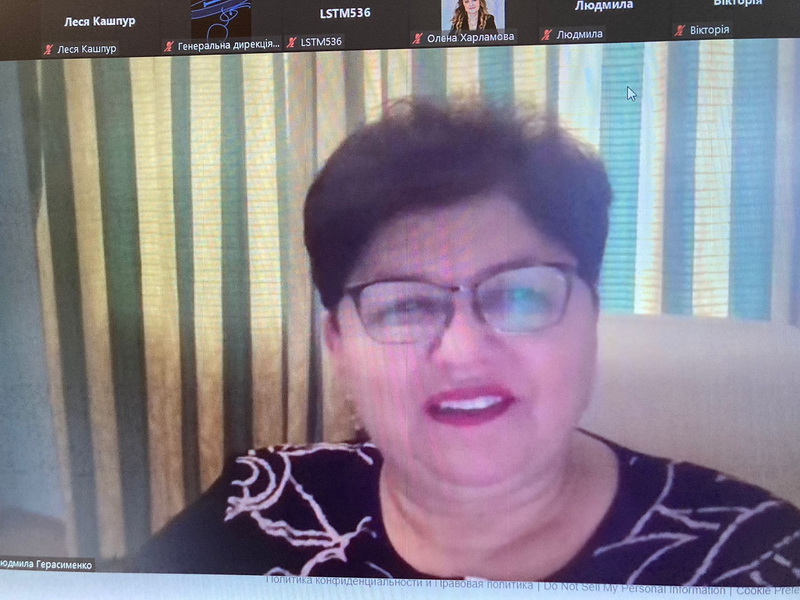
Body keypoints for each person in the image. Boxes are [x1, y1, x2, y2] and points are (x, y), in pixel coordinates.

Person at [128, 100, 800, 584]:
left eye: (519, 295)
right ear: (338, 344)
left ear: (591, 312)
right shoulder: (258, 507)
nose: (462, 352)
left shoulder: (753, 554)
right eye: (405, 305)